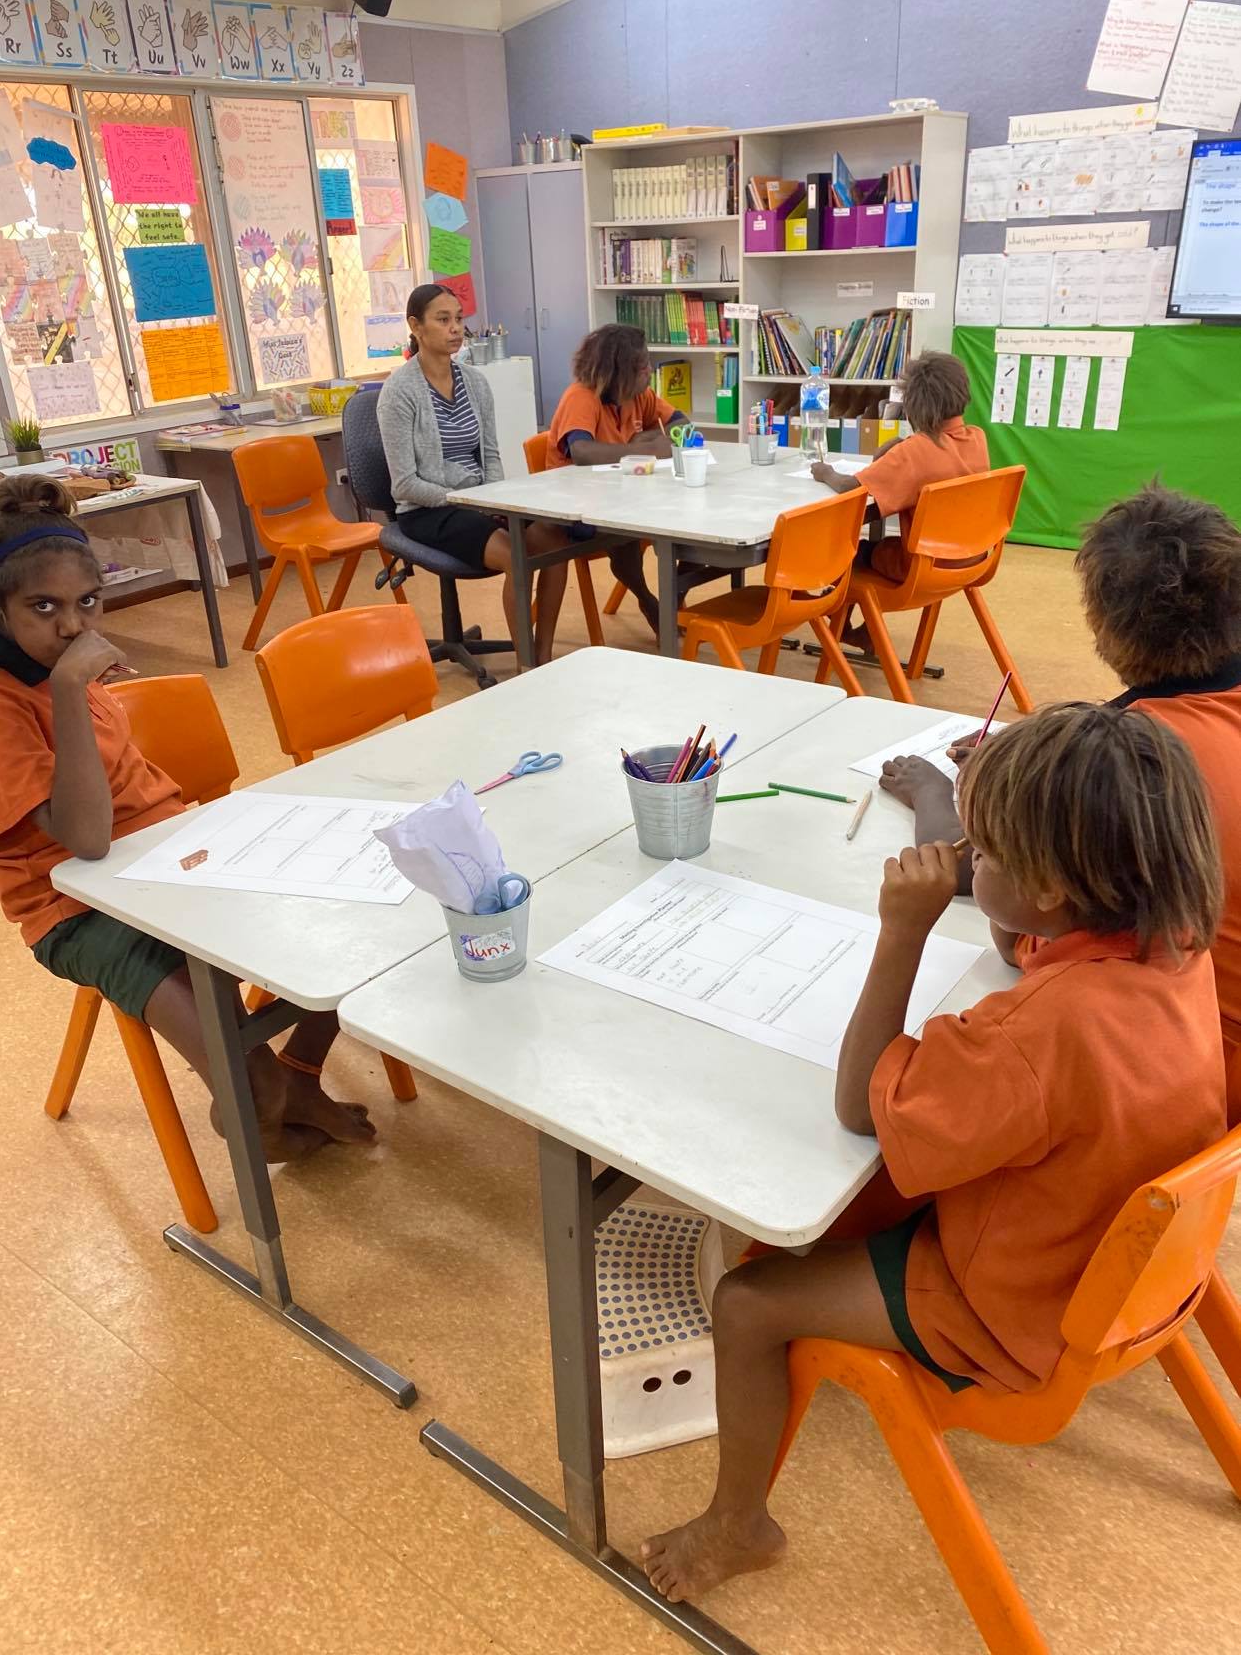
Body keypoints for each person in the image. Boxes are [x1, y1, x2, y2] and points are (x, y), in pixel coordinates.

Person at [641, 704, 1227, 1604]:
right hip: (1121, 1263)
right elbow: (1040, 950)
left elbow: (857, 1102)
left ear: (1050, 888)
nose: (965, 860)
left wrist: (903, 930)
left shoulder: (1030, 1040)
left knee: (749, 1299)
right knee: (828, 1219)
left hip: (1010, 1307)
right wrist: (1012, 914)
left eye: (982, 854)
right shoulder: (1174, 940)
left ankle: (738, 1525)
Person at [0, 475, 374, 1163]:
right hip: (76, 909)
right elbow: (85, 843)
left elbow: (138, 796)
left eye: (87, 602)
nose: (72, 626)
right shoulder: (22, 697)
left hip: (169, 856)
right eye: (42, 607)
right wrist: (68, 687)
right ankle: (267, 1115)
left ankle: (298, 1076)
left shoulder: (65, 670)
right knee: (246, 1087)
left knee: (354, 919)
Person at [881, 484, 1241, 1086]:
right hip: (1190, 1049)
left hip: (1169, 1065)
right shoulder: (1147, 744)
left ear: (1101, 625)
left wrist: (939, 793)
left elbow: (994, 880)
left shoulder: (1148, 757)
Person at [378, 283, 569, 667]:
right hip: (427, 509)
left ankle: (545, 655)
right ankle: (527, 665)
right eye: (443, 320)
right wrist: (470, 501)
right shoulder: (398, 392)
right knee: (519, 557)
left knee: (555, 542)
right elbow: (405, 484)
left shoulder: (476, 383)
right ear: (415, 326)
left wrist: (497, 499)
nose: (455, 330)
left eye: (459, 320)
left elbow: (491, 455)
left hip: (480, 499)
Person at [811, 350, 989, 647]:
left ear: (913, 404)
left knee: (847, 553)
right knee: (874, 547)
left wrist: (825, 471)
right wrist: (898, 447)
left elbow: (849, 487)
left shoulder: (915, 453)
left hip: (919, 569)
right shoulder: (976, 438)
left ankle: (840, 630)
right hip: (969, 558)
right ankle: (865, 631)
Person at [545, 323, 699, 634]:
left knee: (693, 523)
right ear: (618, 372)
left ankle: (672, 600)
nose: (650, 370)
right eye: (642, 365)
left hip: (626, 494)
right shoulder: (582, 396)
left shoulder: (637, 395)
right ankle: (650, 601)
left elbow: (683, 425)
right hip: (575, 509)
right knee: (629, 534)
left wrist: (653, 439)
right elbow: (582, 452)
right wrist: (640, 450)